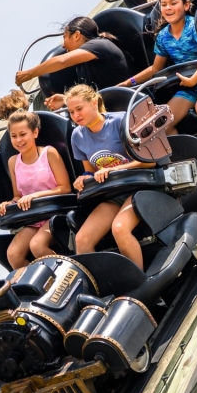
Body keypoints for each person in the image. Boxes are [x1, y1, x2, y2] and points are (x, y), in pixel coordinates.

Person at [121, 0, 197, 153]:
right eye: (164, 4)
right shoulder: (163, 37)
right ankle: (191, 158)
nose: (168, 8)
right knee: (162, 123)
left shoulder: (194, 27)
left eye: (173, 3)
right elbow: (155, 67)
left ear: (186, 5)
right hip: (189, 87)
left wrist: (194, 79)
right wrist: (128, 82)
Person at [65, 84, 153, 268]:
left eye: (79, 109)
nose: (76, 116)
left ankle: (140, 285)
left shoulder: (120, 121)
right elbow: (90, 170)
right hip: (114, 194)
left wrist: (112, 170)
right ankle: (101, 289)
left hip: (140, 184)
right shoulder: (77, 136)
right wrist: (84, 178)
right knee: (82, 240)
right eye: (71, 112)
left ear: (94, 102)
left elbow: (149, 161)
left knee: (120, 229)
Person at [0, 110, 72, 269]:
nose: (18, 140)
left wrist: (35, 196)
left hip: (55, 213)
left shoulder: (49, 153)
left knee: (37, 246)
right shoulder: (13, 162)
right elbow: (18, 196)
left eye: (23, 134)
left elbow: (65, 188)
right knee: (14, 254)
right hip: (34, 219)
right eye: (14, 136)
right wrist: (7, 204)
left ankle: (67, 275)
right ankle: (36, 286)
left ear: (35, 132)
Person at [16, 17, 128, 110]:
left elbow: (62, 61)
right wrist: (66, 99)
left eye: (64, 37)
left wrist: (29, 74)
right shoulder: (82, 65)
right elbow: (92, 95)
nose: (63, 45)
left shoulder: (99, 45)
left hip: (125, 102)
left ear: (77, 35)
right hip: (107, 109)